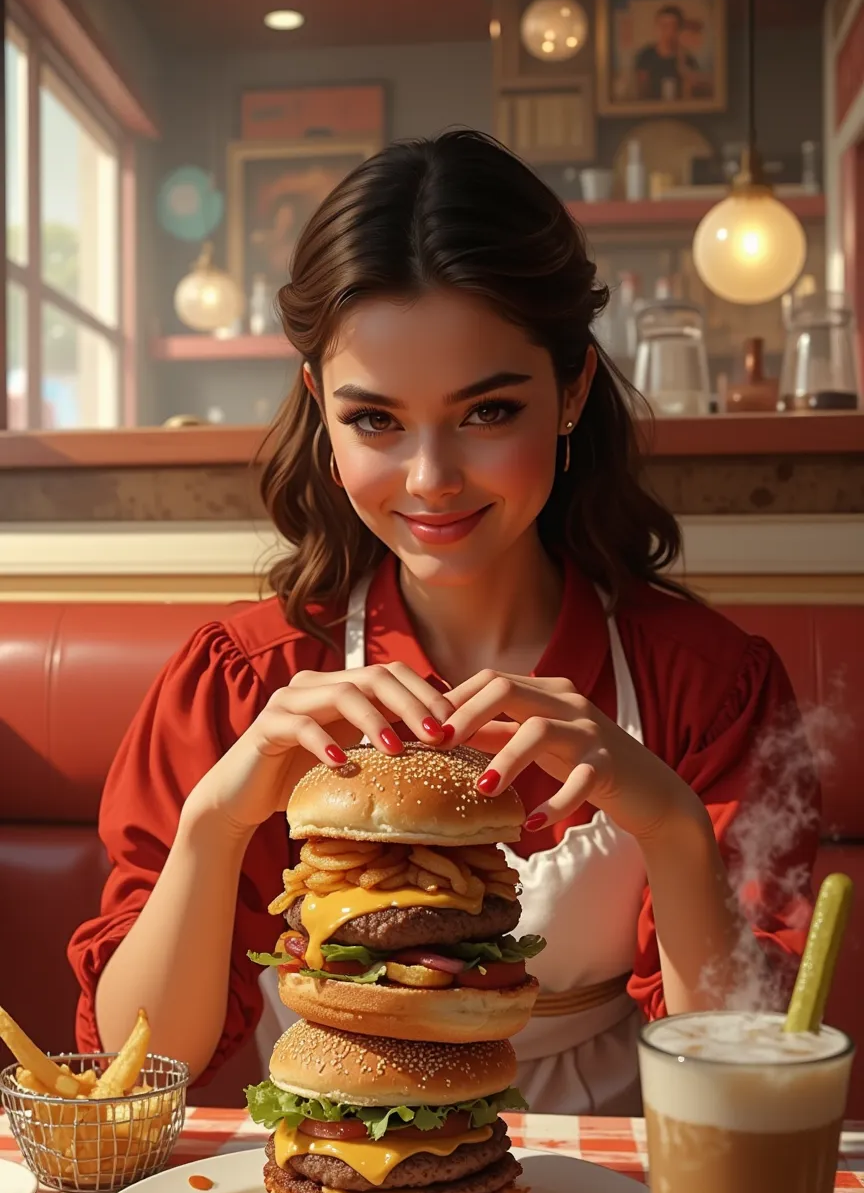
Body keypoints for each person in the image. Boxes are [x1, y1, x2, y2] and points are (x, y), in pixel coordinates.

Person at [69, 130, 816, 1115]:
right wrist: (215, 825)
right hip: (309, 1180)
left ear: (572, 390)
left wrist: (672, 825)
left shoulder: (710, 686)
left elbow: (751, 1080)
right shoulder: (244, 680)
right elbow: (131, 1071)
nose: (431, 480)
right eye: (375, 420)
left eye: (488, 412)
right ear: (321, 415)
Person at [634, 4, 700, 102]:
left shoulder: (687, 59)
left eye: (672, 26)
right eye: (662, 26)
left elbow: (692, 96)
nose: (666, 31)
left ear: (679, 29)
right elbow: (640, 91)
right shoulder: (645, 56)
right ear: (656, 27)